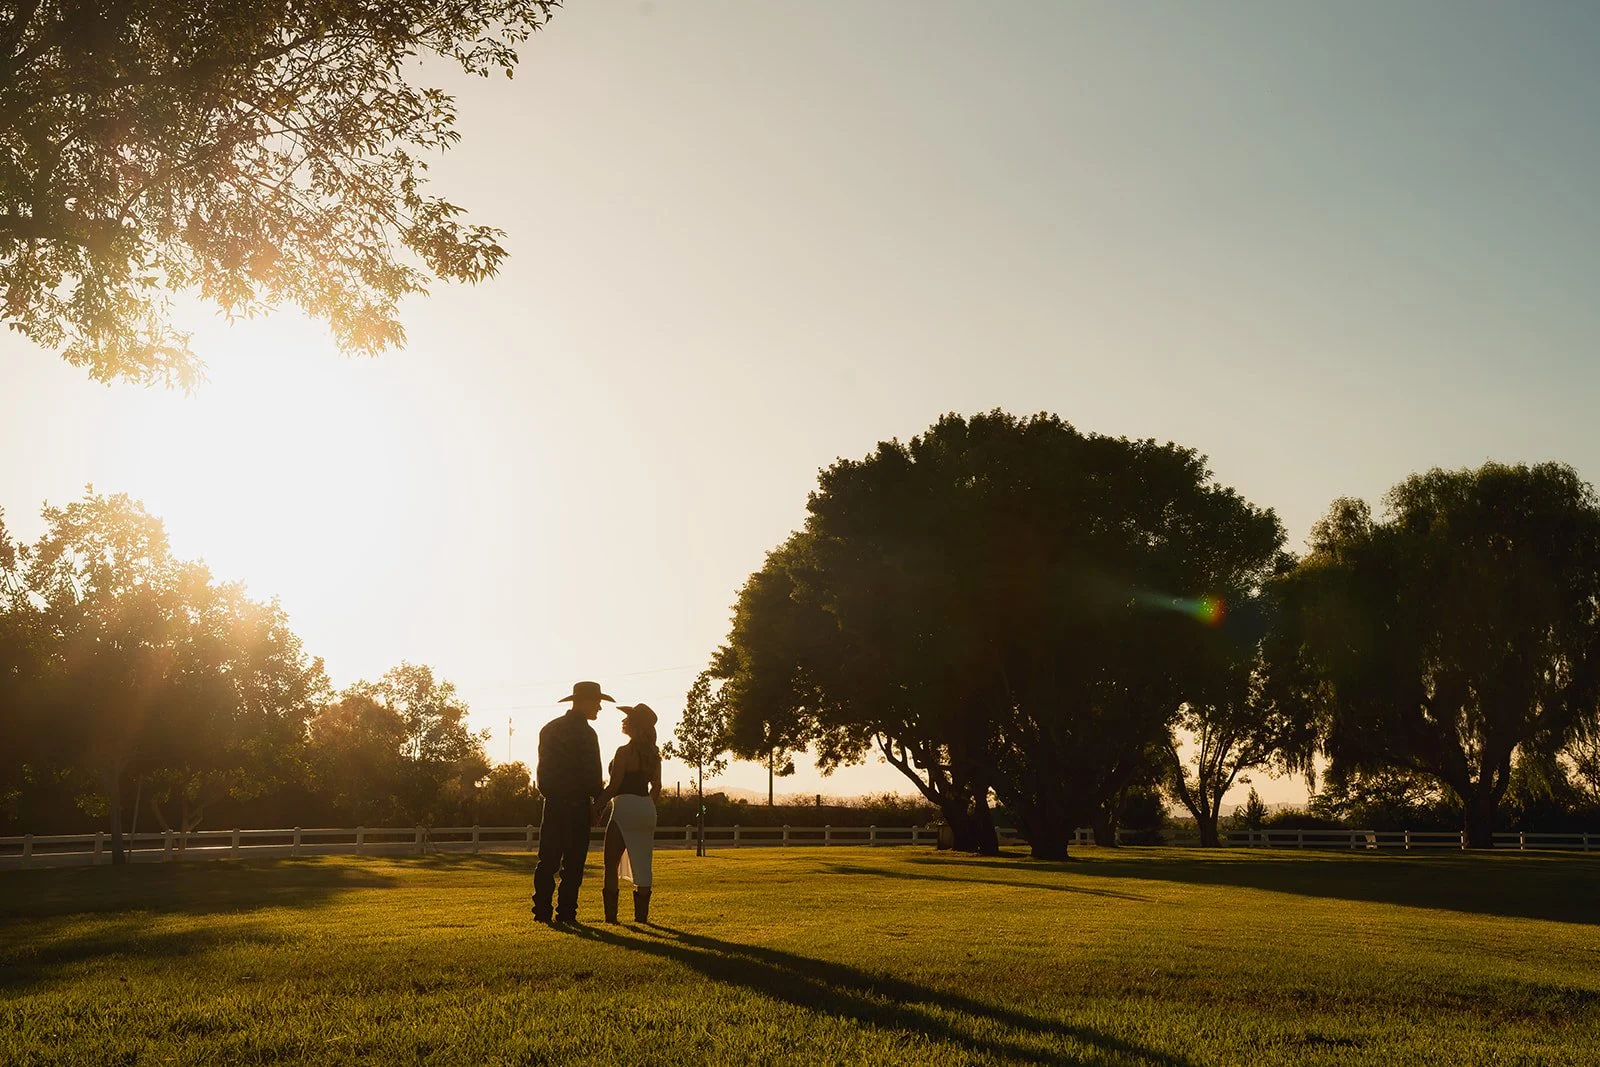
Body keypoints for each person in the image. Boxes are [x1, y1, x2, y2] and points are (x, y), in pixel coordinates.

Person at [532, 680, 609, 924]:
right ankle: (566, 913)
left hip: (553, 804)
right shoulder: (587, 734)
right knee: (573, 864)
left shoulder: (550, 729)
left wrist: (552, 795)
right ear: (584, 702)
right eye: (596, 703)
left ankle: (541, 912)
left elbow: (543, 772)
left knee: (547, 861)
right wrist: (597, 804)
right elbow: (593, 775)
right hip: (577, 805)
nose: (599, 708)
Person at [598, 703, 662, 923]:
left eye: (628, 718)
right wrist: (646, 805)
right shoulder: (654, 754)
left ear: (635, 726)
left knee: (610, 863)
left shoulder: (624, 752)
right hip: (646, 808)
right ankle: (641, 917)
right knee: (643, 863)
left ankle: (611, 918)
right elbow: (657, 787)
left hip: (624, 806)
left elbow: (614, 786)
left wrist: (596, 808)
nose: (623, 721)